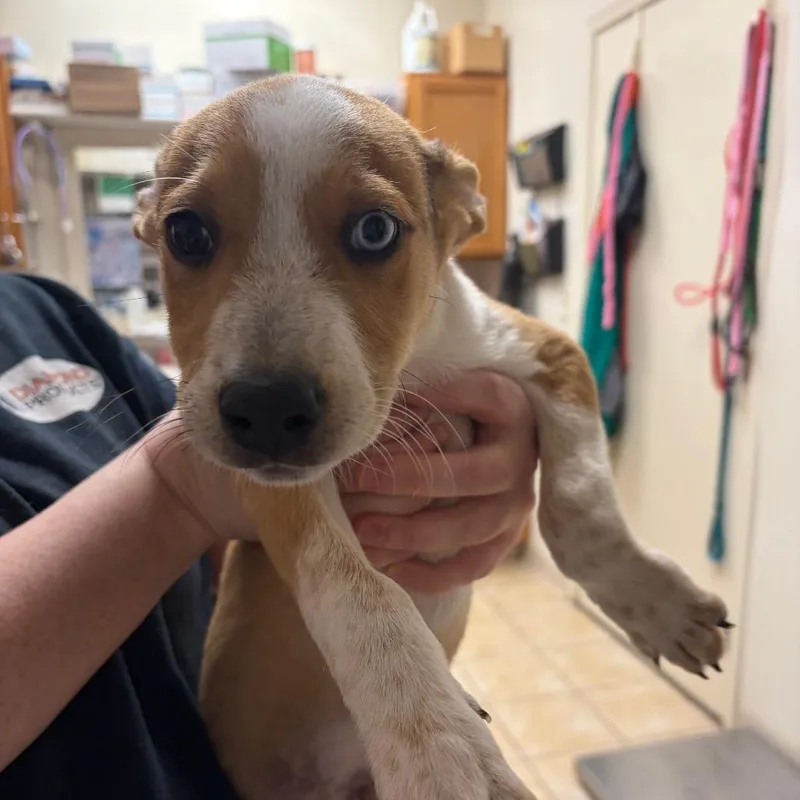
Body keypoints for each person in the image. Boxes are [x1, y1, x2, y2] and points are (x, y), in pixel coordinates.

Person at [0, 272, 538, 799]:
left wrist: (451, 482)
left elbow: (217, 553)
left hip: (226, 758)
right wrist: (175, 492)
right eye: (190, 236)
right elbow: (200, 483)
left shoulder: (47, 312)